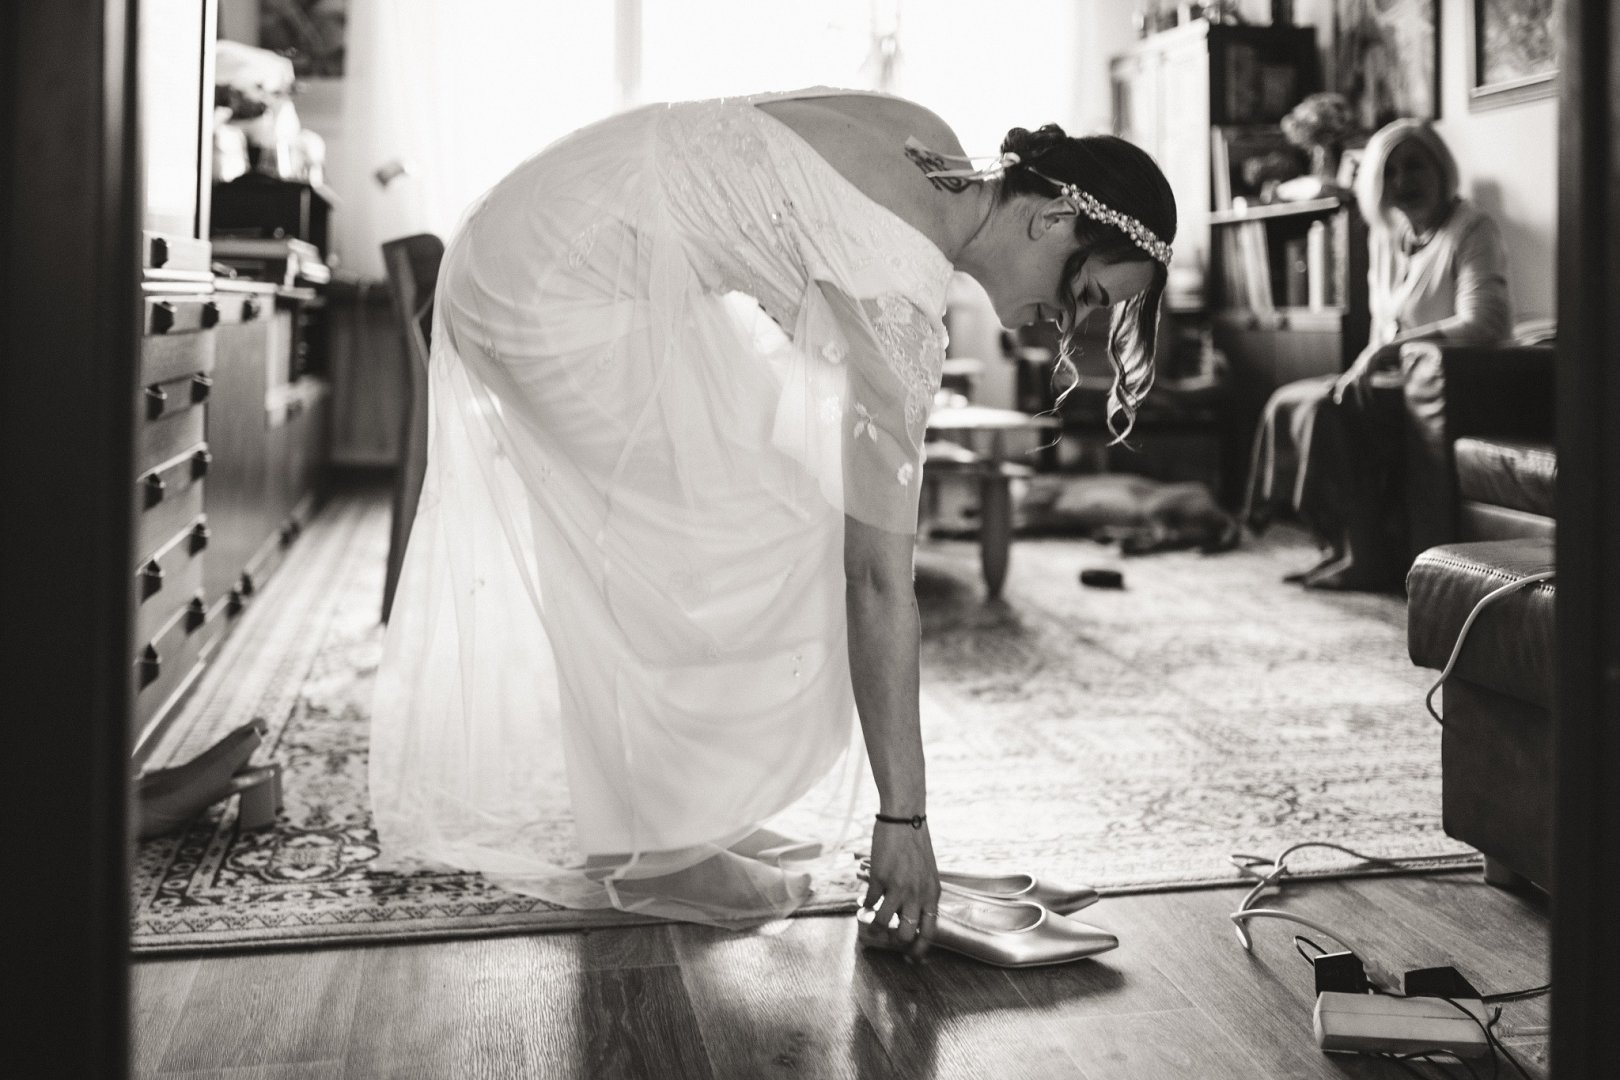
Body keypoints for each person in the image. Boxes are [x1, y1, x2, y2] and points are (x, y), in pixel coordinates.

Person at [368, 87, 1175, 958]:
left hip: (547, 217)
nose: (1071, 327)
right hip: (553, 285)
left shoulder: (932, 144)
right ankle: (656, 848)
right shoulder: (900, 297)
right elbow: (879, 580)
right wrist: (904, 819)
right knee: (711, 541)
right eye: (1086, 293)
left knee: (780, 504)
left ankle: (680, 815)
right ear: (1053, 218)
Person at [1244, 118, 1511, 590]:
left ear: (1441, 168)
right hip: (1390, 378)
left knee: (1327, 410)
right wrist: (1361, 367)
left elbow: (1486, 323)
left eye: (1415, 166)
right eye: (1389, 171)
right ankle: (1332, 543)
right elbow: (1379, 326)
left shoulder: (1472, 229)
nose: (1402, 181)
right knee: (1288, 400)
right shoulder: (1385, 235)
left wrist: (1392, 350)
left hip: (1444, 386)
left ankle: (1363, 560)